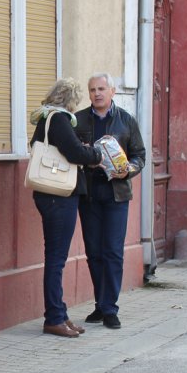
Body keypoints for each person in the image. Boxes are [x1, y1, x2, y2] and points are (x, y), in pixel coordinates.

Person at [29, 79, 103, 338]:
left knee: (55, 258)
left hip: (51, 196)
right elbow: (74, 154)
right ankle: (53, 318)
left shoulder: (46, 118)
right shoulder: (59, 119)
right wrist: (95, 154)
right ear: (70, 100)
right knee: (56, 260)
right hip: (58, 196)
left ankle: (60, 313)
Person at [75, 73, 145, 330]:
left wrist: (129, 169)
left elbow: (140, 155)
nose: (97, 93)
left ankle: (110, 308)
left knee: (113, 252)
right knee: (94, 252)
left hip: (117, 194)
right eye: (92, 89)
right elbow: (71, 152)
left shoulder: (126, 120)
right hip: (89, 194)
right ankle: (100, 303)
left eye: (101, 89)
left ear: (112, 92)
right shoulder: (79, 120)